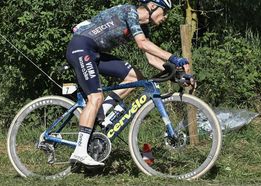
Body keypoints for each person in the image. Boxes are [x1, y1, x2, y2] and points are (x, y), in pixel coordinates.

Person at [66, 0, 192, 166]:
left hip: (94, 52)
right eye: (165, 11)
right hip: (81, 47)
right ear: (153, 6)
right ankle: (80, 151)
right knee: (95, 97)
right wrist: (174, 58)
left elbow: (152, 58)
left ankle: (101, 110)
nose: (166, 17)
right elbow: (142, 44)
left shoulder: (143, 27)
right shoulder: (129, 11)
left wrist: (177, 72)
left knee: (135, 78)